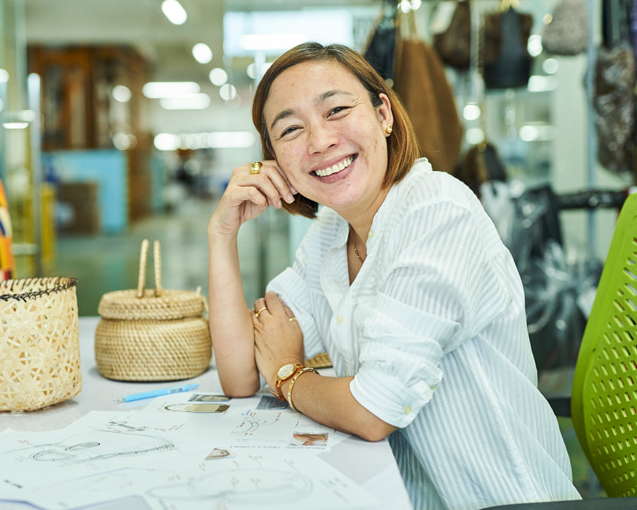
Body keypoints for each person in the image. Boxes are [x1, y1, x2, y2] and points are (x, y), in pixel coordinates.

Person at [207, 42, 580, 509]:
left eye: (337, 110)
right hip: (399, 493)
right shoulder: (330, 234)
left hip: (500, 500)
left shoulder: (438, 213)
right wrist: (222, 234)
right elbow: (240, 375)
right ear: (276, 161)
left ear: (383, 114)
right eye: (290, 130)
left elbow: (371, 410)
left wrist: (288, 375)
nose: (320, 141)